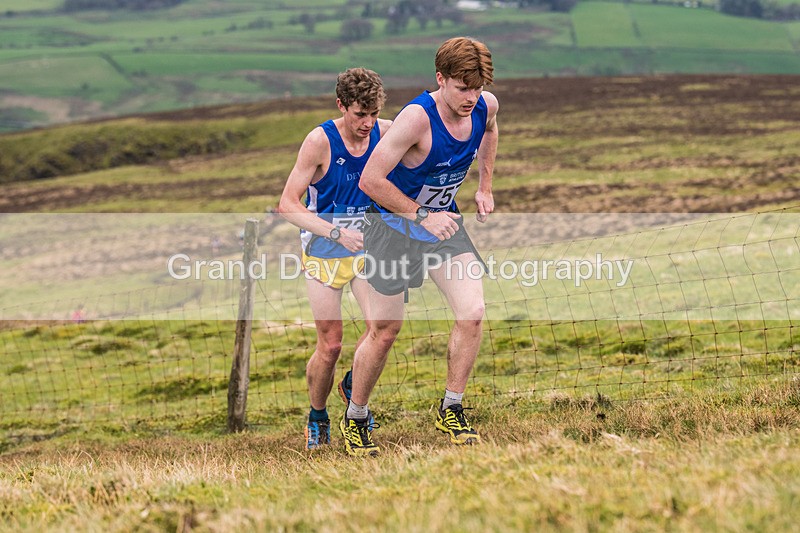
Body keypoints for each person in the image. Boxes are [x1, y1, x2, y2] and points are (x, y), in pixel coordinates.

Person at [339, 37, 498, 456]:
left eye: (478, 87)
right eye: (463, 87)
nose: (471, 97)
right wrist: (421, 215)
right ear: (440, 79)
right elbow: (370, 180)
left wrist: (485, 186)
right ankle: (356, 416)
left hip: (443, 225)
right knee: (386, 331)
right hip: (391, 229)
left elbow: (492, 131)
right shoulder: (416, 119)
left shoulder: (486, 106)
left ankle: (452, 407)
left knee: (473, 312)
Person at [277, 67, 392, 450]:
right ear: (341, 105)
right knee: (330, 345)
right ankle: (317, 414)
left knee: (382, 327)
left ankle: (351, 387)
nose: (367, 123)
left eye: (373, 114)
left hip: (365, 246)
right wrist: (336, 232)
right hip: (325, 248)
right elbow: (287, 204)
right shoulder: (319, 141)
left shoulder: (385, 131)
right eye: (360, 114)